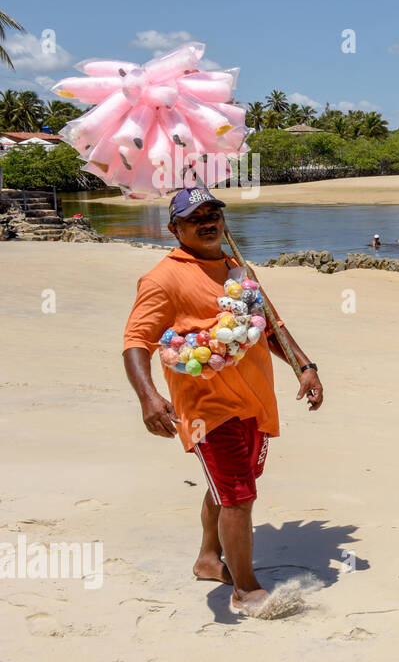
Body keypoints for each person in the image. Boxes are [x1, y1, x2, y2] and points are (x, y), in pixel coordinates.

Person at [122, 188, 324, 617]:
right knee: (237, 496)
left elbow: (270, 326)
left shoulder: (238, 268)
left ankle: (208, 559)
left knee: (226, 486)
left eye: (213, 213)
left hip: (254, 403)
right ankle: (246, 590)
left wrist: (305, 366)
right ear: (174, 228)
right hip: (205, 410)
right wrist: (148, 397)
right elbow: (135, 342)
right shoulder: (162, 279)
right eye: (195, 217)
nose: (207, 221)